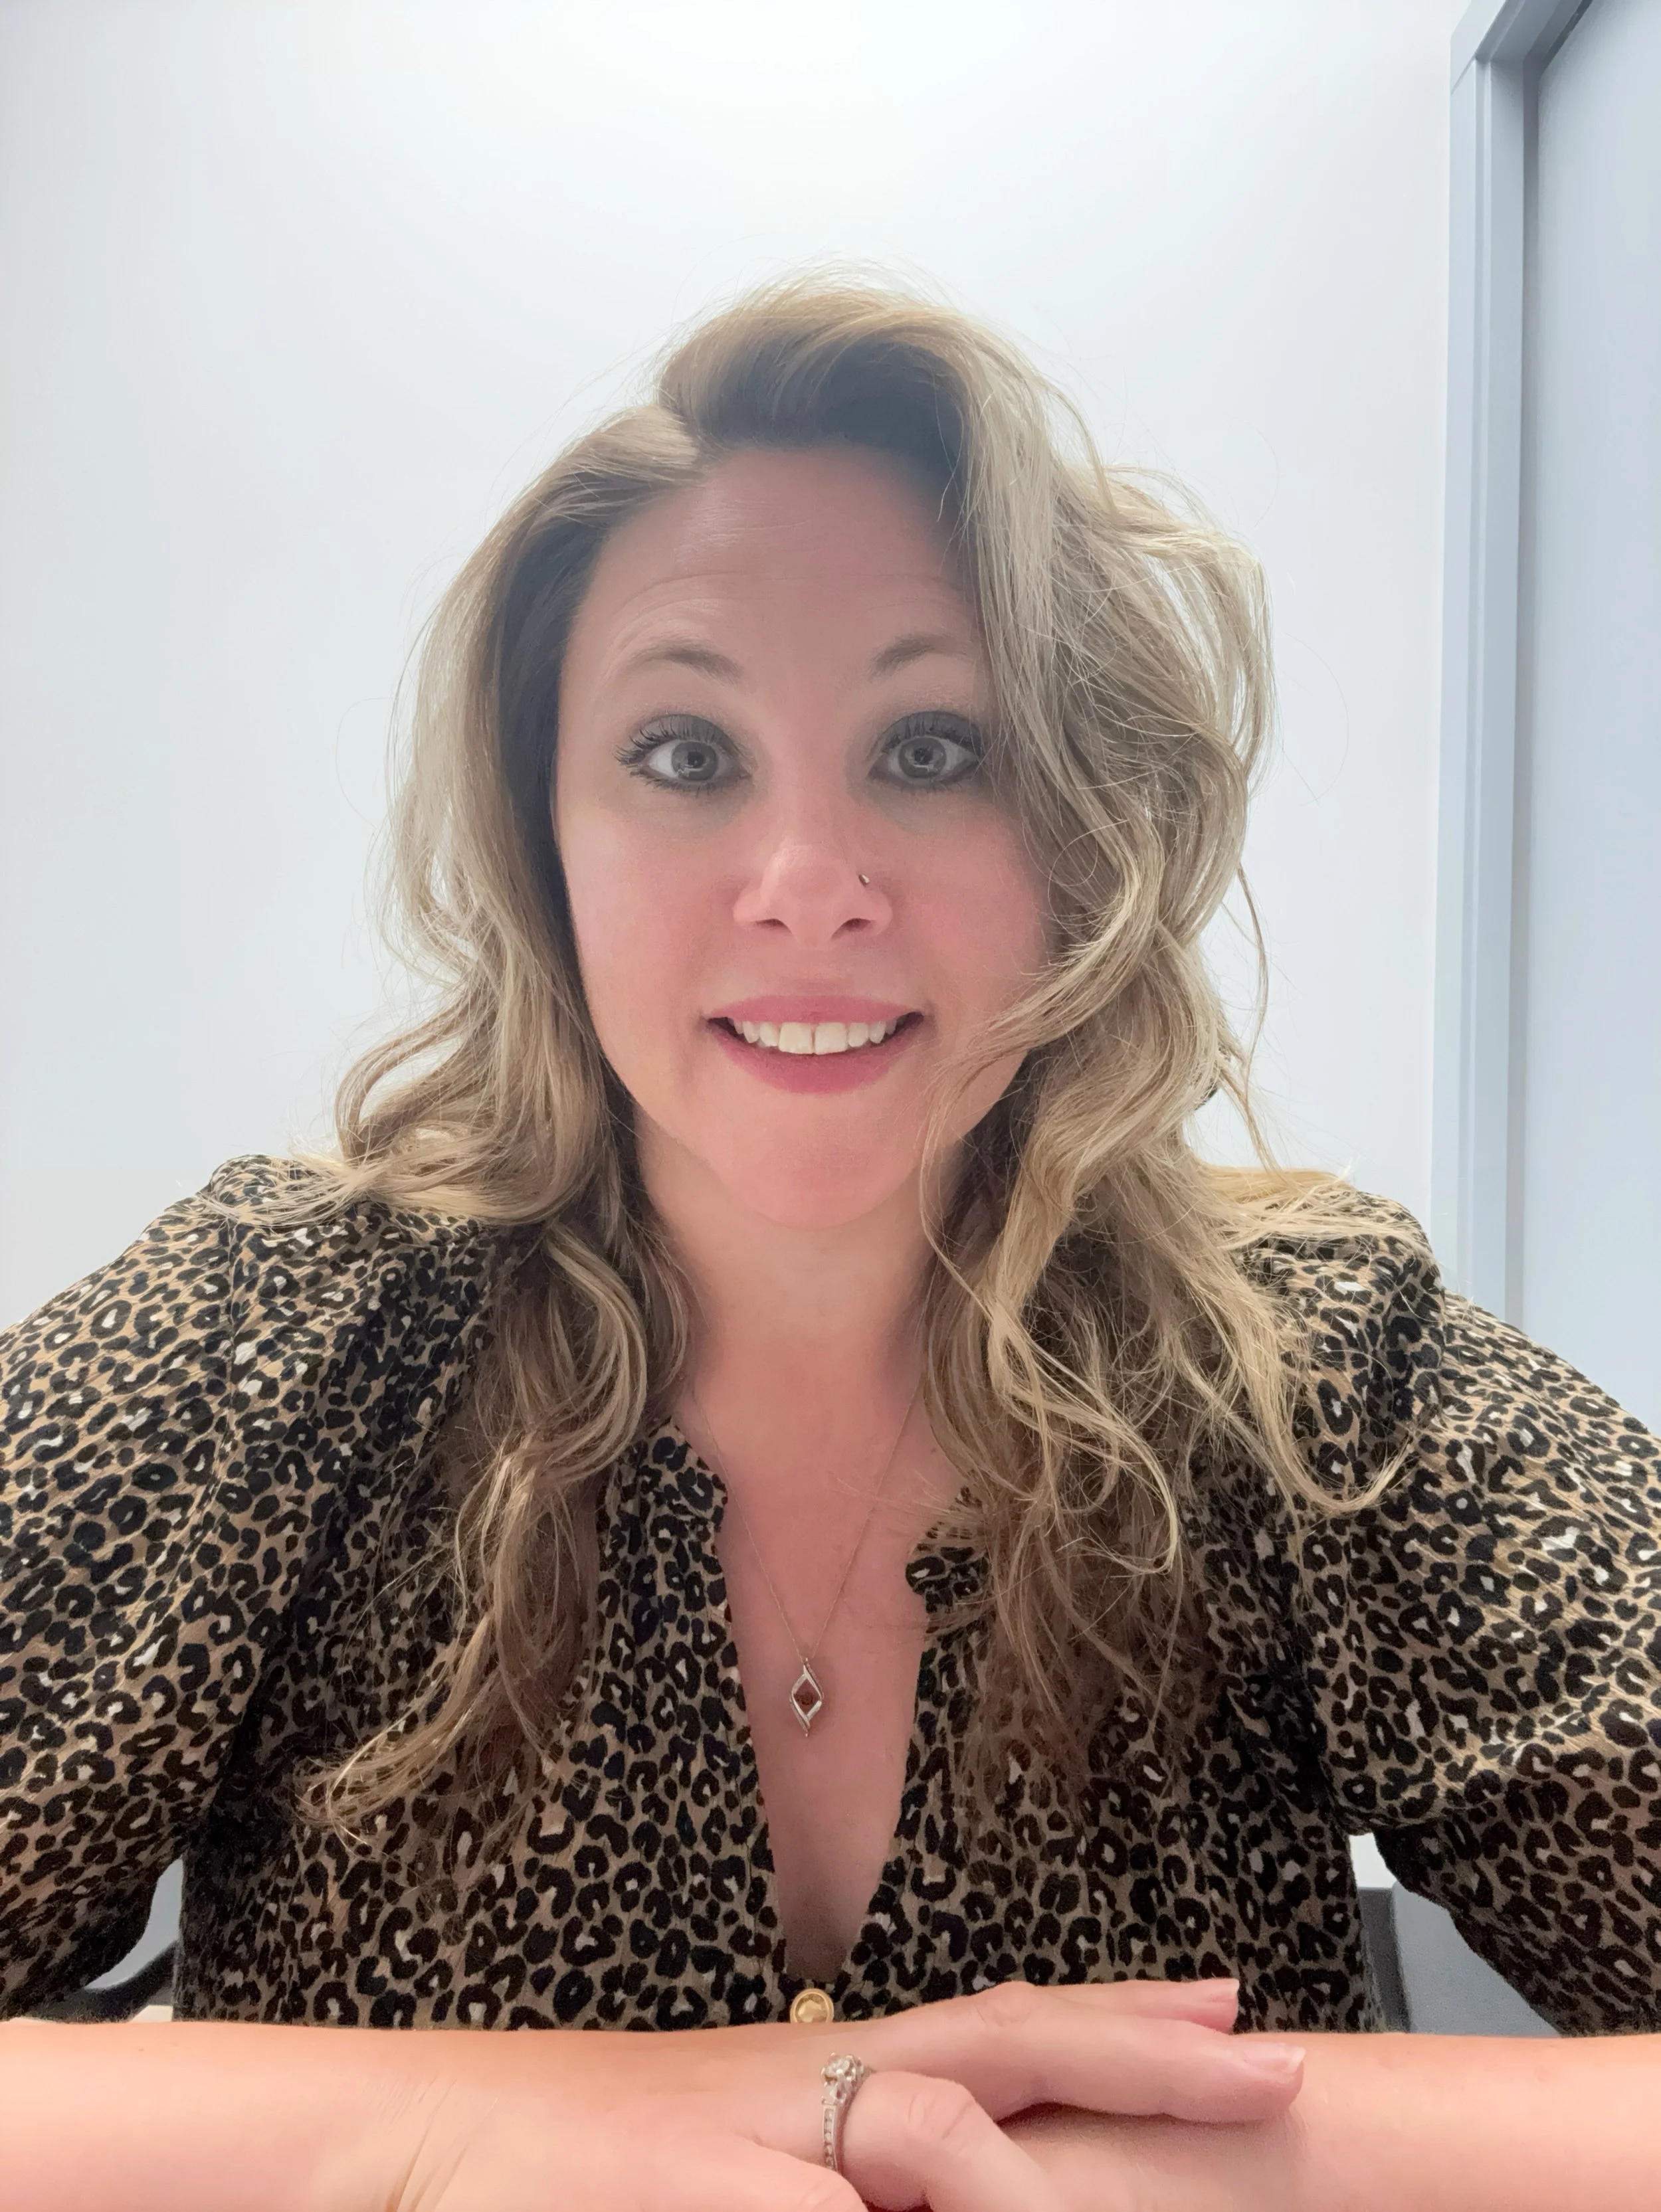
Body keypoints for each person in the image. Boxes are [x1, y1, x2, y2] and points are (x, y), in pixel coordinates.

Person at [1, 273, 1658, 2211]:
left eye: (932, 749)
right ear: (546, 838)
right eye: (683, 754)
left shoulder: (1312, 1374)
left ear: (1084, 836)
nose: (808, 890)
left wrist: (1171, 2160)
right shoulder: (266, 1338)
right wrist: (482, 2130)